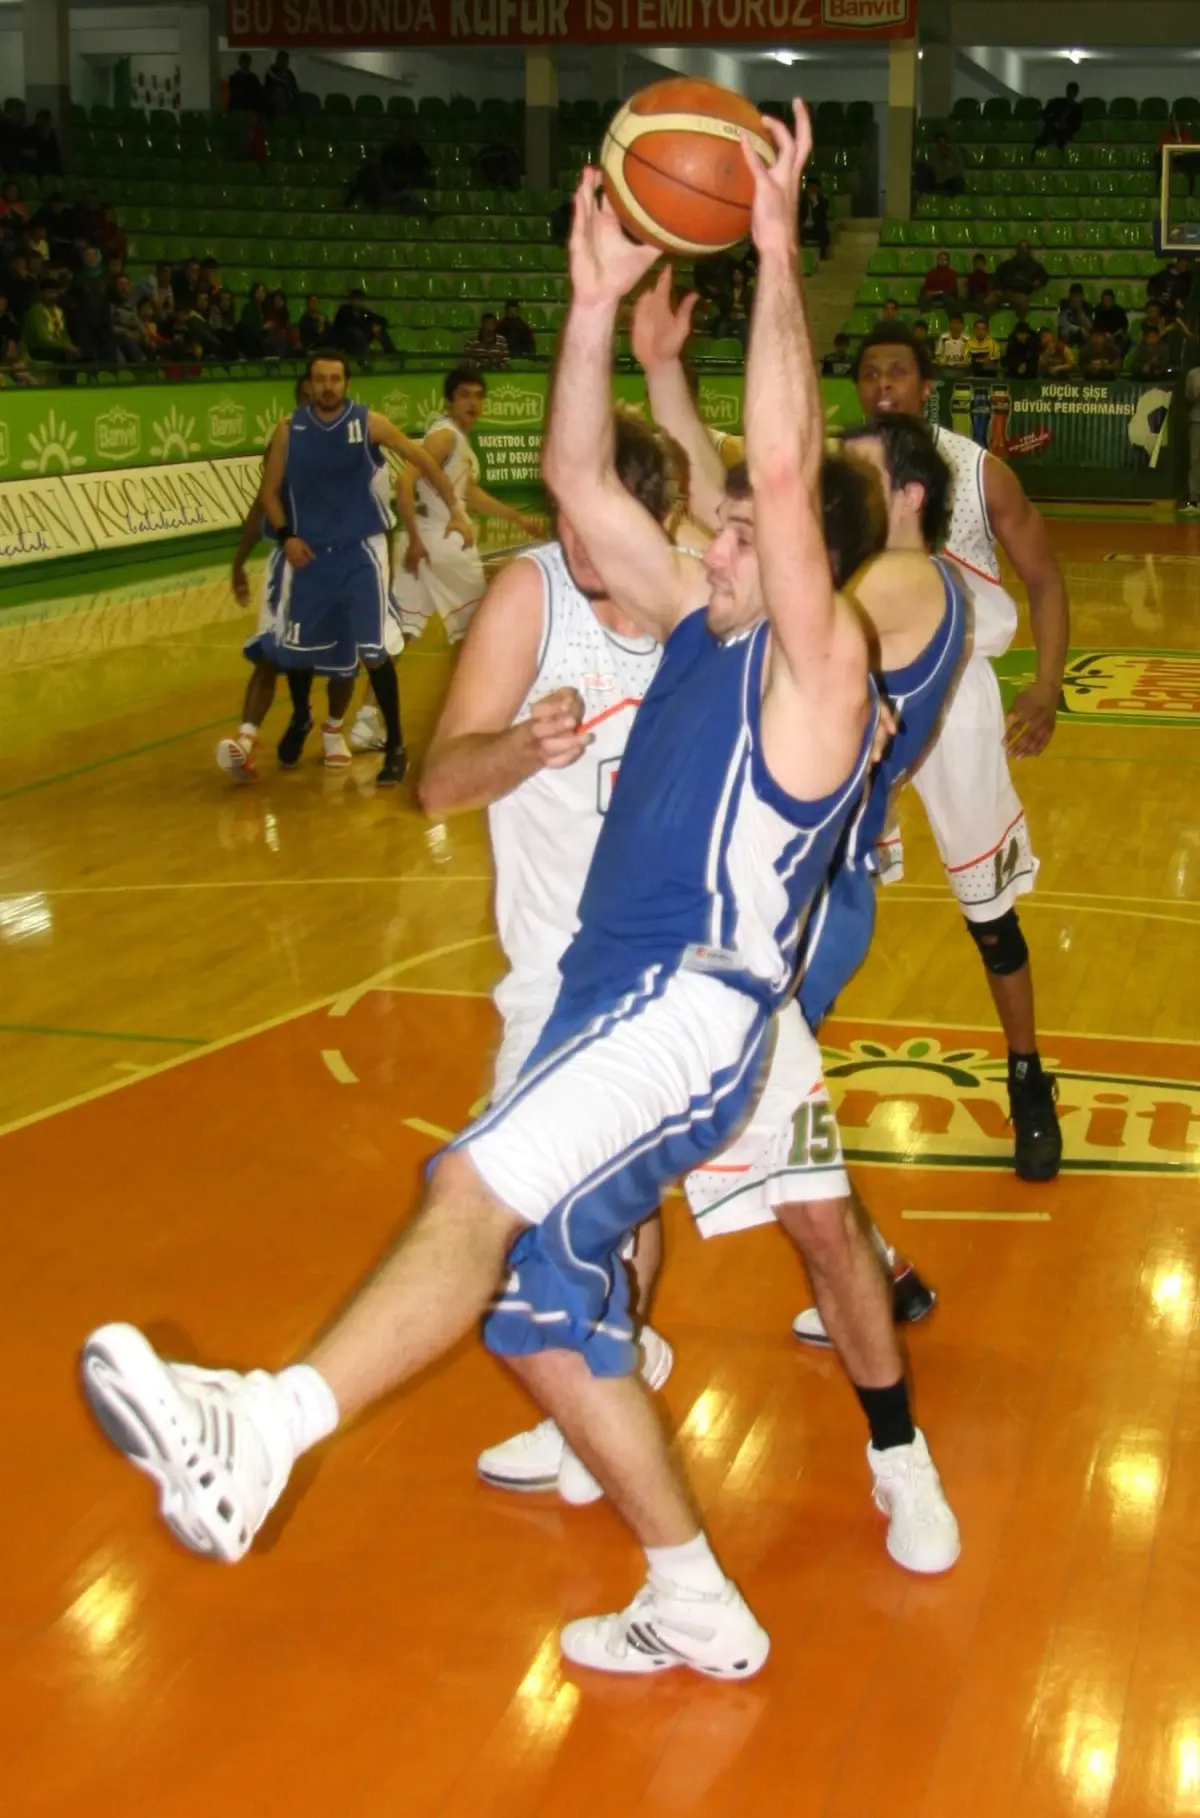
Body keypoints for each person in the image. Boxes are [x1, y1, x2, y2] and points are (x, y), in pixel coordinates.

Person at [78, 108, 919, 1677]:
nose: (712, 530)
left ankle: (259, 1430)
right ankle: (694, 1591)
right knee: (538, 1311)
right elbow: (576, 474)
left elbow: (787, 470)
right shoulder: (701, 627)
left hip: (693, 1001)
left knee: (469, 1189)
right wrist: (593, 298)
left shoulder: (815, 663)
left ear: (793, 555)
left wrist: (785, 251)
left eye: (738, 527)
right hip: (610, 991)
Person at [850, 320, 1069, 1182]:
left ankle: (1027, 1080)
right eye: (869, 375)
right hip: (854, 693)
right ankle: (777, 1078)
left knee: (988, 913)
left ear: (926, 382)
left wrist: (1046, 686)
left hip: (956, 696)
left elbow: (1045, 577)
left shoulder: (977, 472)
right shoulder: (838, 472)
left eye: (897, 372)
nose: (883, 388)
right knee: (825, 896)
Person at [219, 350, 474, 787]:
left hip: (361, 551)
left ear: (346, 383)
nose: (328, 386)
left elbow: (422, 459)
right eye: (320, 379)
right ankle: (306, 721)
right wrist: (286, 537)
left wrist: (455, 506)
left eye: (335, 378)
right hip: (309, 556)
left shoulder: (368, 423)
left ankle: (395, 746)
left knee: (374, 652)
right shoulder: (289, 431)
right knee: (297, 654)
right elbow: (268, 494)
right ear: (310, 384)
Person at [362, 364, 540, 693]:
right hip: (445, 542)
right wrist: (417, 538)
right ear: (449, 401)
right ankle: (468, 709)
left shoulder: (454, 439)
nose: (472, 403)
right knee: (476, 630)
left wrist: (518, 518)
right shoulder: (444, 437)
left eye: (478, 396)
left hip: (425, 542)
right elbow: (404, 482)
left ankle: (368, 719)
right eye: (464, 395)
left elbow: (470, 493)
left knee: (402, 632)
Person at [23, 276, 81, 371]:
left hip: (57, 348)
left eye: (55, 292)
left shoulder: (59, 311)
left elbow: (64, 334)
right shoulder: (36, 311)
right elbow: (43, 338)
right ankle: (64, 384)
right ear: (41, 293)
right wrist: (66, 347)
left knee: (78, 354)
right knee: (63, 354)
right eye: (49, 292)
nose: (52, 296)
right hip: (37, 348)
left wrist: (72, 348)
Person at [993, 241, 1049, 319]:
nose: (1022, 251)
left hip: (1020, 293)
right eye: (1020, 249)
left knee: (1022, 302)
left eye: (1024, 249)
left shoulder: (1035, 266)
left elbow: (1045, 276)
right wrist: (997, 288)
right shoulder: (1007, 264)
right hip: (1004, 292)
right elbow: (997, 275)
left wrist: (1038, 282)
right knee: (988, 301)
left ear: (1028, 251)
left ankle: (1020, 325)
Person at [333, 288, 395, 356]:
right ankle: (364, 354)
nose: (358, 302)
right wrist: (370, 326)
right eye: (356, 299)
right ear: (350, 300)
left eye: (360, 300)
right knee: (356, 332)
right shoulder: (344, 311)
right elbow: (351, 324)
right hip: (347, 339)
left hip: (362, 337)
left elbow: (382, 320)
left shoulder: (363, 312)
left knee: (381, 332)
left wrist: (378, 327)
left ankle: (391, 353)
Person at [1032, 82, 1082, 159]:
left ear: (1076, 93)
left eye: (1072, 92)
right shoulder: (1057, 102)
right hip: (1052, 129)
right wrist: (1055, 123)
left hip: (1066, 132)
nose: (1070, 93)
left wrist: (1066, 127)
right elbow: (1045, 114)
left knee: (1061, 141)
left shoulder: (1078, 109)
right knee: (1042, 139)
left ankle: (1060, 160)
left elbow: (1076, 124)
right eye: (1069, 91)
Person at [381, 121, 434, 192]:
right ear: (399, 135)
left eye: (408, 133)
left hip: (416, 182)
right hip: (398, 183)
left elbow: (427, 163)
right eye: (404, 133)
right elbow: (384, 164)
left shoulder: (417, 149)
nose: (406, 135)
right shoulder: (392, 151)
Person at [915, 131, 966, 197]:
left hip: (950, 180)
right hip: (937, 180)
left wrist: (946, 176)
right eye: (939, 142)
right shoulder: (933, 155)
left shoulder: (955, 154)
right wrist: (938, 177)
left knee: (959, 182)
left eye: (942, 142)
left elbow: (959, 168)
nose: (941, 144)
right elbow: (932, 167)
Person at [799, 176, 830, 259]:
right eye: (809, 188)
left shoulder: (823, 202)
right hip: (804, 227)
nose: (811, 191)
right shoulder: (801, 201)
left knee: (823, 232)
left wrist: (815, 203)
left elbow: (821, 217)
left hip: (816, 227)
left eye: (813, 188)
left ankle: (822, 255)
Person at [1092, 288, 1129, 354]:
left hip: (1117, 335)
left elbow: (1123, 326)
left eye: (1108, 301)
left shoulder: (1119, 310)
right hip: (1103, 335)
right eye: (1104, 301)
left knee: (1125, 339)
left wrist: (1114, 335)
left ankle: (1118, 357)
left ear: (1113, 301)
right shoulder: (1098, 310)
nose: (1106, 303)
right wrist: (1105, 334)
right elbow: (1096, 326)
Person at [263, 50, 300, 116]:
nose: (283, 63)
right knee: (279, 92)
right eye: (281, 60)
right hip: (274, 102)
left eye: (285, 61)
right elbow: (269, 89)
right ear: (277, 60)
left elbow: (295, 87)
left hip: (289, 100)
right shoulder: (271, 73)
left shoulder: (289, 73)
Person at [1056, 283, 1093, 347]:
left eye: (1077, 297)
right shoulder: (1064, 304)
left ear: (1081, 296)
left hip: (1082, 336)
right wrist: (1077, 329)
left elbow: (1089, 326)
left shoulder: (1087, 307)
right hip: (1068, 334)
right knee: (1064, 331)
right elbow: (1062, 323)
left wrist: (1079, 311)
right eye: (1073, 297)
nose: (1075, 300)